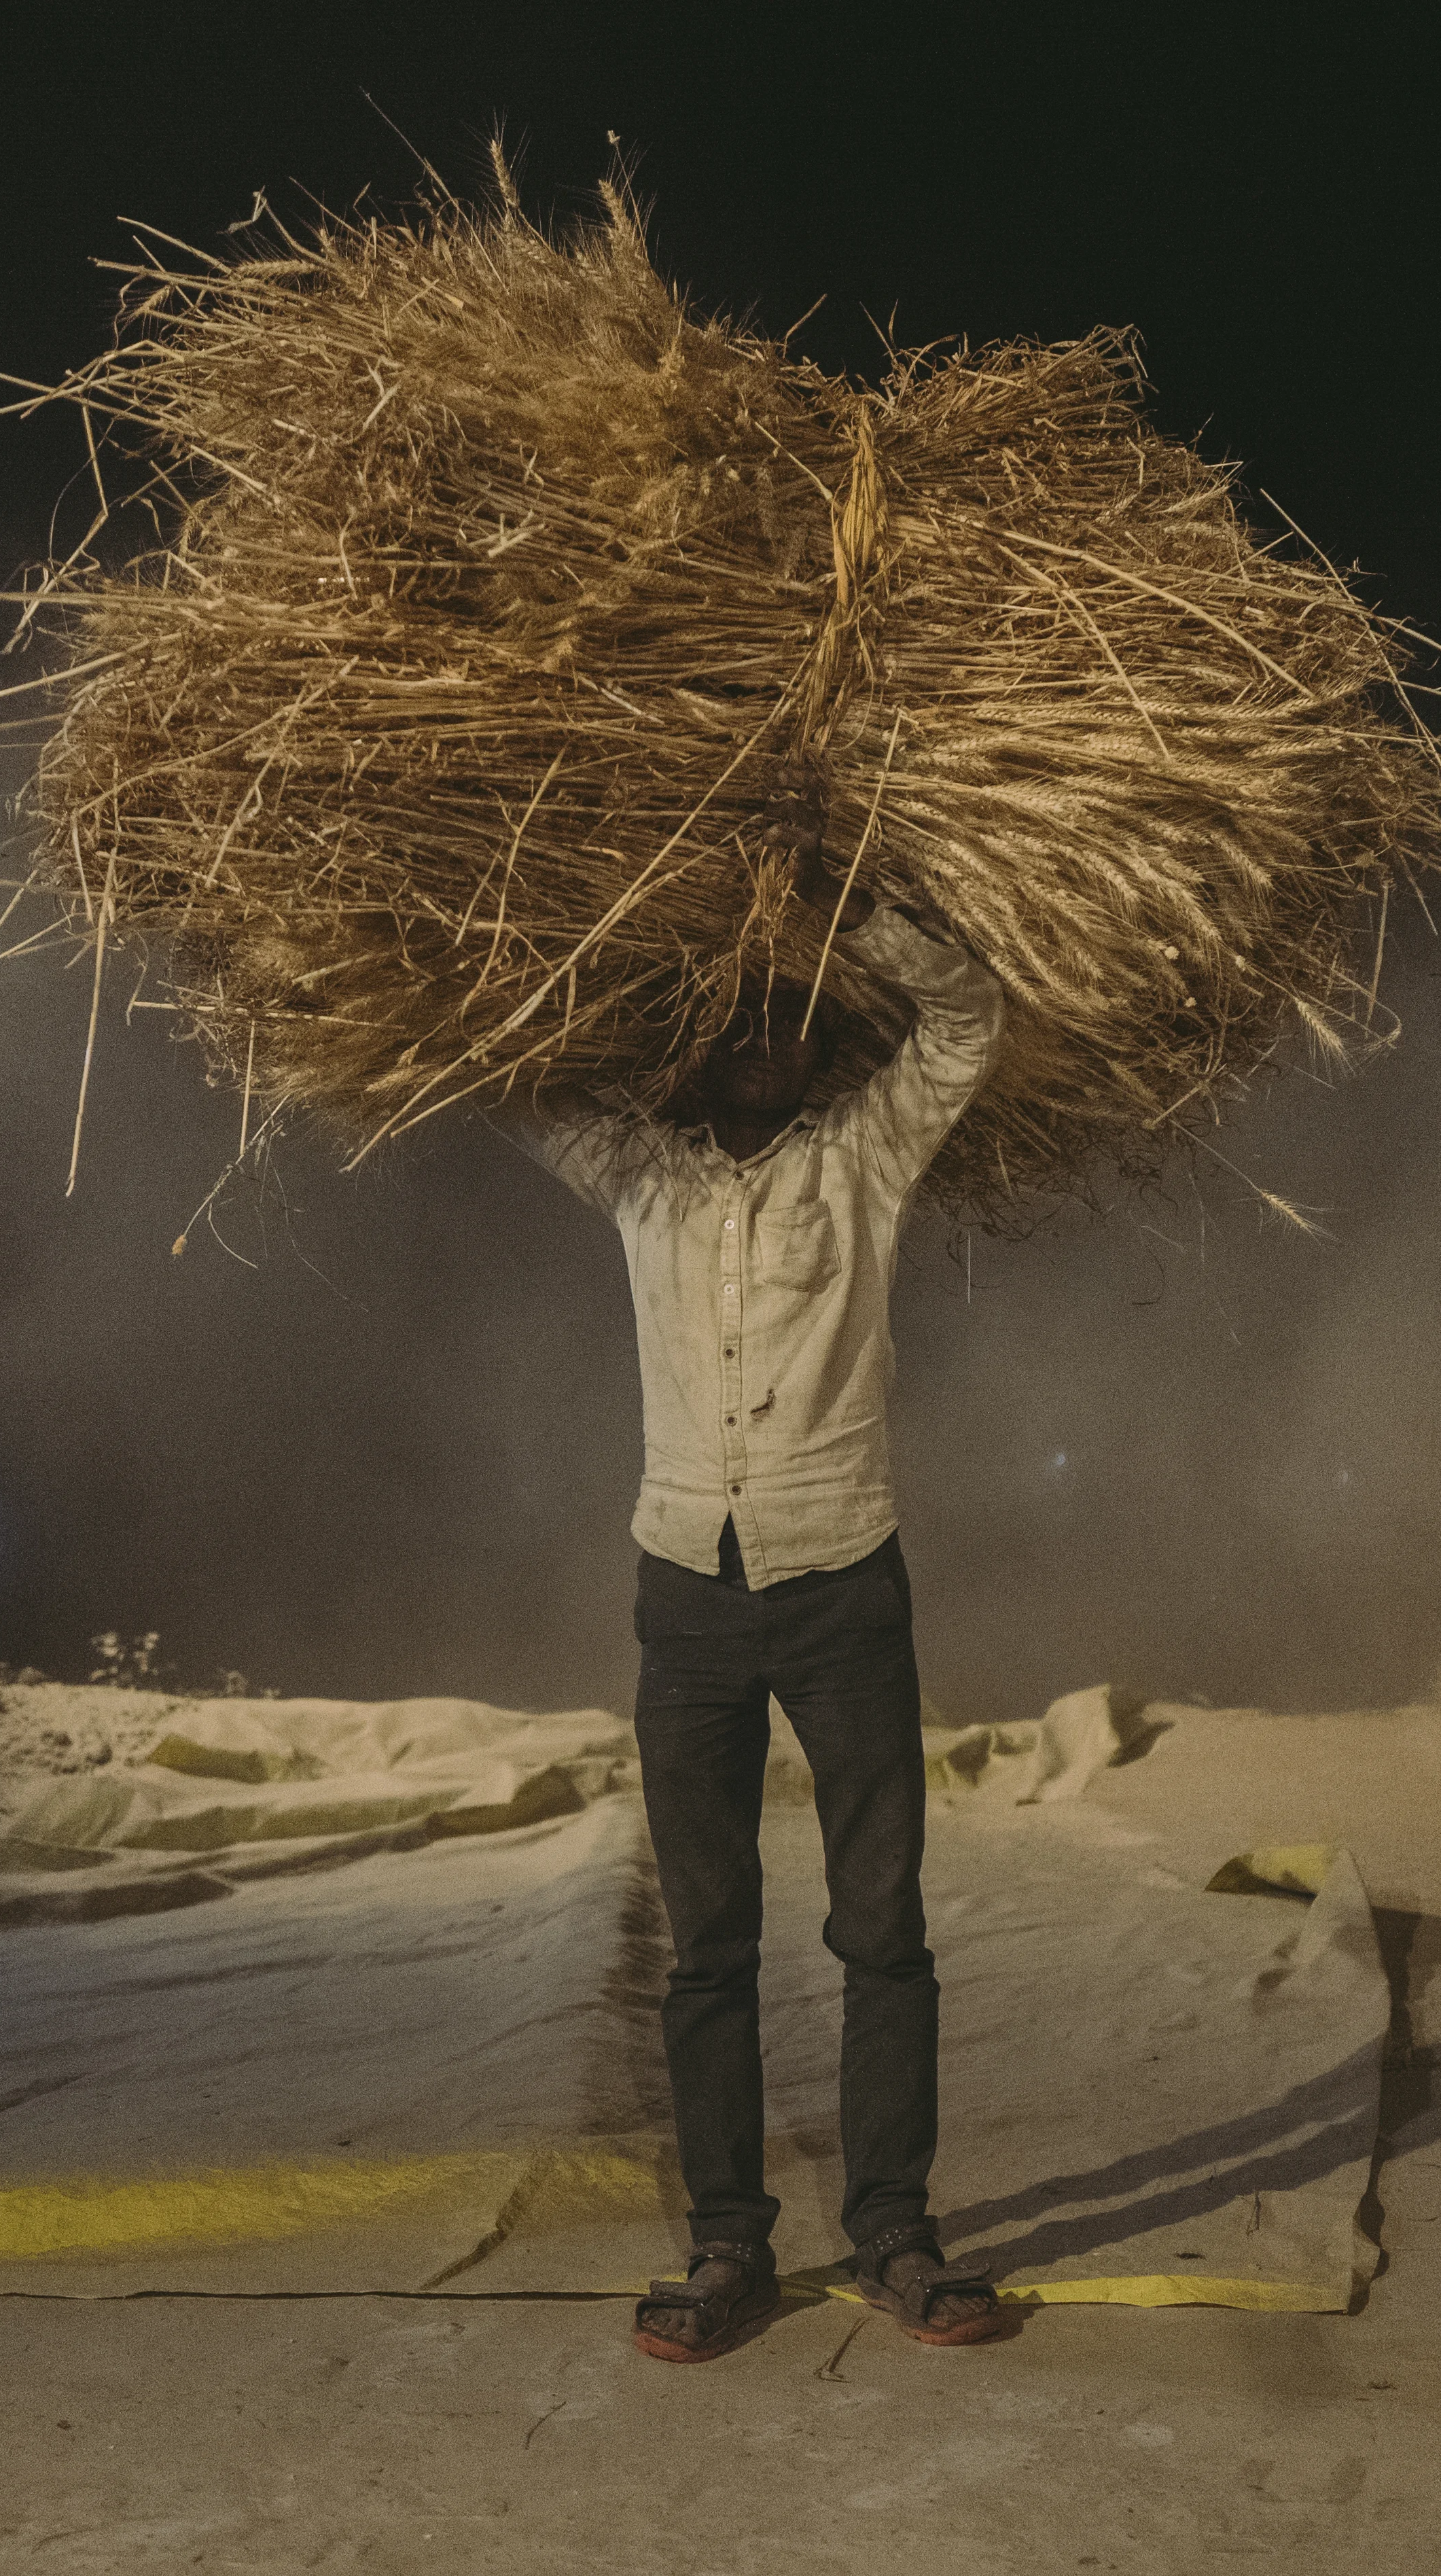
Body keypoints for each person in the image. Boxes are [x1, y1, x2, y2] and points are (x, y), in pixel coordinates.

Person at [502, 827, 1013, 2363]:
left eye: (782, 1016)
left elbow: (969, 1019)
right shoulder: (638, 1174)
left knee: (881, 1929)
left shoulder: (860, 1157)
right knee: (708, 1938)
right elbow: (511, 1066)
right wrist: (618, 913)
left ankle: (895, 2235)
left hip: (844, 1577)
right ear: (696, 1039)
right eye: (730, 1018)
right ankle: (727, 2242)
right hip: (687, 1594)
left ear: (812, 1036)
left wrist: (841, 903)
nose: (758, 1042)